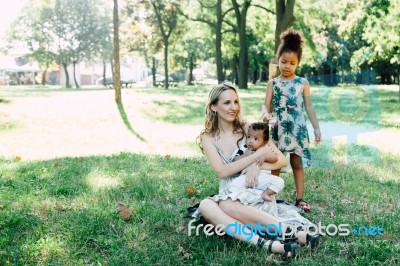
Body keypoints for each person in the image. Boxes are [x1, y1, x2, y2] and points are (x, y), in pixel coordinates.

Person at [195, 82, 319, 257]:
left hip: (255, 191)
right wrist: (253, 159)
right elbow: (222, 172)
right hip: (231, 192)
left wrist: (257, 166)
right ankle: (269, 245)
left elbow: (281, 160)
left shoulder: (248, 129)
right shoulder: (208, 137)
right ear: (214, 106)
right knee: (206, 205)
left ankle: (289, 233)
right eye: (227, 103)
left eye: (236, 102)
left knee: (224, 204)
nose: (233, 108)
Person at [262, 29, 321, 212]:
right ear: (278, 60)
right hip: (279, 130)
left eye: (292, 63)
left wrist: (316, 128)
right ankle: (270, 196)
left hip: (297, 130)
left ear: (298, 63)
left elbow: (309, 107)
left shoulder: (302, 83)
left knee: (297, 163)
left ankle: (300, 198)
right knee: (277, 163)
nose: (287, 66)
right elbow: (266, 105)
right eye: (283, 62)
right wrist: (265, 114)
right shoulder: (273, 83)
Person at [231, 122, 282, 202]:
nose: (250, 141)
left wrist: (265, 157)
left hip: (263, 178)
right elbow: (235, 160)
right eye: (249, 137)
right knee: (234, 185)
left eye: (255, 139)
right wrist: (245, 155)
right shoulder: (244, 148)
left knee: (279, 182)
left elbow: (275, 158)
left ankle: (265, 193)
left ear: (264, 142)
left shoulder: (265, 148)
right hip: (246, 177)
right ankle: (241, 198)